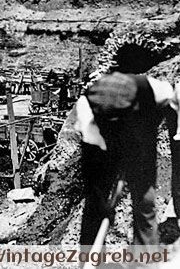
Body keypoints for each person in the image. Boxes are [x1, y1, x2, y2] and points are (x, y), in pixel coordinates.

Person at [76, 70, 180, 251]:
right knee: (97, 200)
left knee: (144, 197)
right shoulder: (88, 110)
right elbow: (94, 143)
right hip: (104, 131)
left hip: (136, 130)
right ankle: (90, 256)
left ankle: (145, 257)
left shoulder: (158, 93)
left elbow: (170, 114)